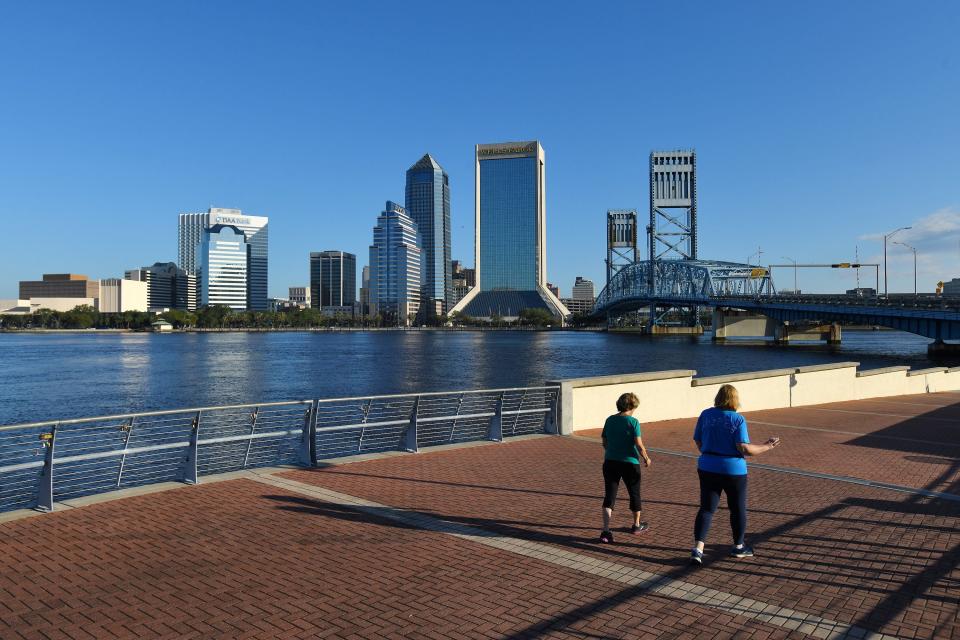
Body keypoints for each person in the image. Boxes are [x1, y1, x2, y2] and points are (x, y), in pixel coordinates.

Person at [690, 384, 780, 566]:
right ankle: (738, 546)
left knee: (707, 508)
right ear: (734, 400)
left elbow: (698, 440)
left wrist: (709, 452)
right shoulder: (737, 419)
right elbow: (744, 448)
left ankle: (698, 548)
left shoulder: (705, 414)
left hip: (707, 466)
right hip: (733, 469)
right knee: (737, 508)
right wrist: (767, 446)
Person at [598, 392, 652, 544]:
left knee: (610, 495)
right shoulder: (633, 422)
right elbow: (639, 445)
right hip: (630, 463)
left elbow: (604, 441)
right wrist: (646, 458)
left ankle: (606, 530)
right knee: (634, 493)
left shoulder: (609, 420)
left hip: (610, 462)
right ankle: (636, 525)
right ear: (631, 406)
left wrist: (612, 451)